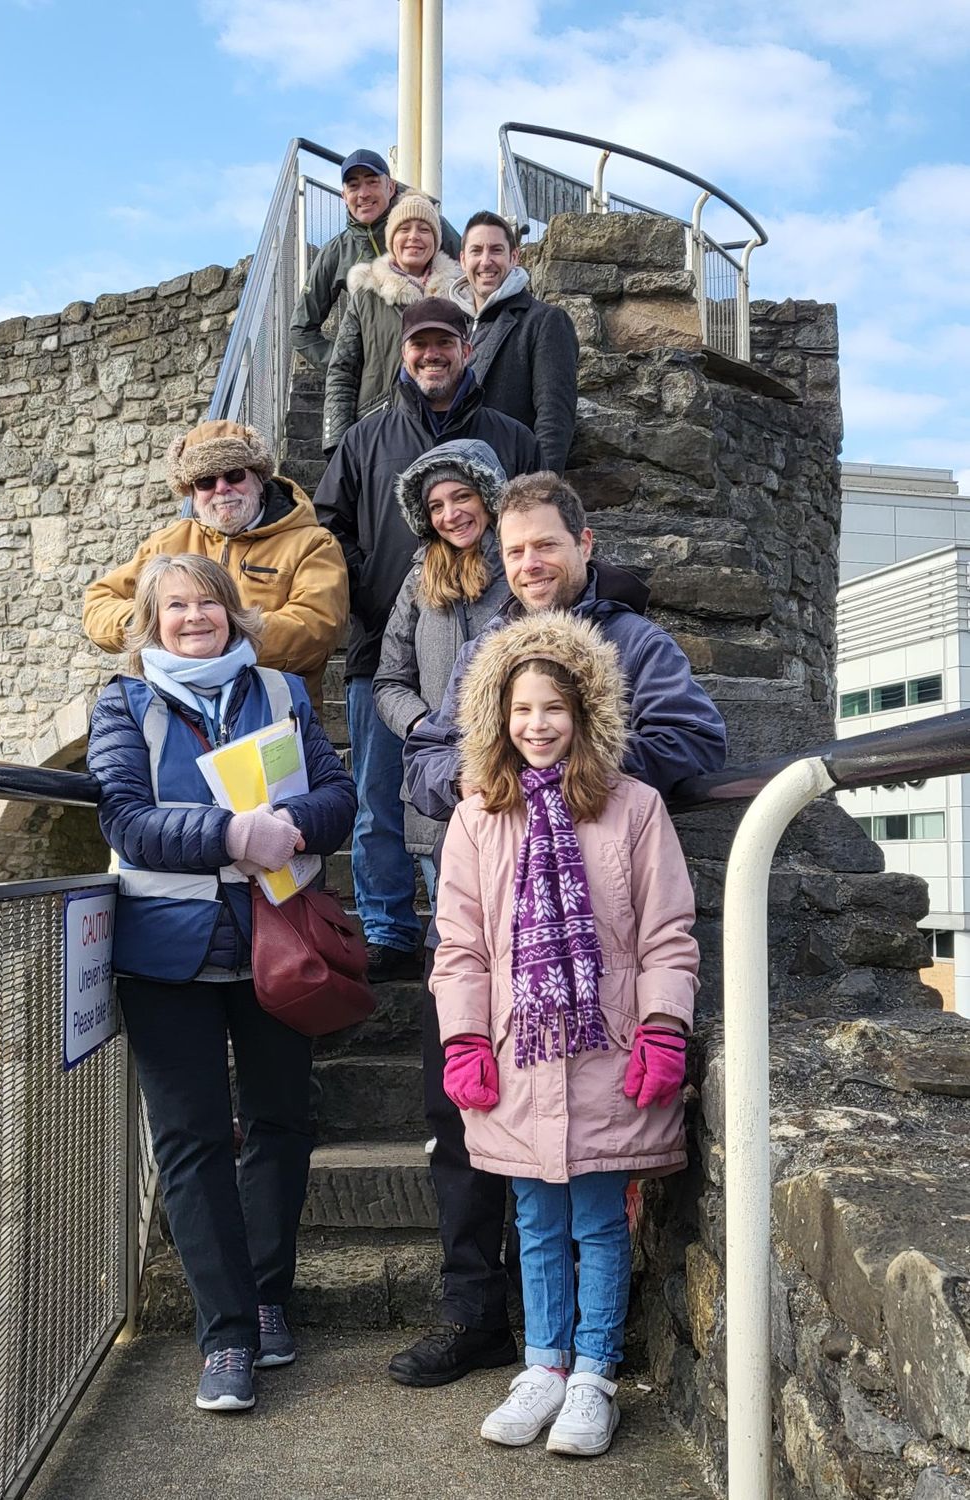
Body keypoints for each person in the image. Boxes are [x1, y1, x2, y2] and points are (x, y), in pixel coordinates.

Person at [387, 472, 724, 1388]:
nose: (527, 564)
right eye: (511, 550)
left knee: (588, 1200)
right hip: (496, 926)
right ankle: (480, 1317)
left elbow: (696, 742)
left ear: (583, 542)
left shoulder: (635, 643)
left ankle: (591, 1361)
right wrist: (474, 782)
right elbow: (425, 758)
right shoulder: (486, 649)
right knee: (462, 1129)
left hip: (597, 948)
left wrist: (583, 774)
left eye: (543, 545)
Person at [86, 553, 356, 1413]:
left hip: (278, 942)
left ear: (233, 612)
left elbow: (340, 796)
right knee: (192, 1138)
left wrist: (289, 824)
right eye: (175, 606)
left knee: (280, 1119)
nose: (193, 617)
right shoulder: (123, 701)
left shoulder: (280, 692)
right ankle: (227, 1335)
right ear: (150, 622)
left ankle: (268, 1297)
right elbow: (125, 817)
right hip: (167, 954)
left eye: (207, 603)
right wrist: (233, 833)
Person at [431, 610, 698, 1453]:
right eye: (519, 711)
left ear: (584, 714)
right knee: (535, 1220)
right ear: (495, 720)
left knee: (596, 1218)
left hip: (606, 1048)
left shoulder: (634, 807)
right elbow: (460, 944)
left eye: (553, 708)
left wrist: (662, 1028)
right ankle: (541, 1368)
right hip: (519, 1053)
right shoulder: (478, 817)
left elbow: (666, 932)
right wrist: (464, 1039)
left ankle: (592, 1376)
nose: (536, 725)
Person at [315, 298, 541, 979]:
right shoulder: (364, 439)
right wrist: (375, 598)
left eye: (444, 342)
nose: (430, 354)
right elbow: (330, 530)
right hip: (386, 650)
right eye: (419, 344)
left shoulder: (510, 435)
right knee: (380, 797)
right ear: (404, 353)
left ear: (466, 349)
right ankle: (386, 926)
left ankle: (481, 926)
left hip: (493, 665)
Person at [83, 419, 347, 711]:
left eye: (234, 474)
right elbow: (98, 604)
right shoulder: (167, 543)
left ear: (259, 478)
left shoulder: (312, 544)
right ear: (192, 493)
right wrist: (153, 624)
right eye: (206, 481)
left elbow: (317, 626)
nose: (221, 488)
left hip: (271, 713)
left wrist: (219, 635)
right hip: (176, 717)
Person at [373, 438, 510, 902]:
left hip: (512, 784)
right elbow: (389, 680)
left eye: (462, 497)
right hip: (439, 791)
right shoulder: (418, 580)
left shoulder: (522, 570)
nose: (450, 515)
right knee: (454, 939)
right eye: (436, 505)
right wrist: (422, 724)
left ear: (489, 498)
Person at [290, 149, 461, 371]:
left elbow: (473, 281)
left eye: (372, 182)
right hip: (378, 390)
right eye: (353, 186)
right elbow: (301, 330)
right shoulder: (336, 252)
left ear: (390, 187)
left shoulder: (429, 226)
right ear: (344, 196)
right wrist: (350, 366)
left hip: (436, 368)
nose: (363, 193)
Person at [322, 194, 461, 454]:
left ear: (436, 239)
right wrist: (336, 444)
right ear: (391, 238)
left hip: (446, 430)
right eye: (404, 229)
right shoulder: (366, 295)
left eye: (424, 229)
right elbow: (342, 371)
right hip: (377, 434)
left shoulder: (459, 295)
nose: (413, 237)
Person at [451, 211, 579, 475]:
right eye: (476, 251)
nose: (486, 261)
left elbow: (554, 419)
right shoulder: (449, 326)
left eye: (496, 250)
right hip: (453, 489)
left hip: (511, 486)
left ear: (514, 257)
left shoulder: (544, 321)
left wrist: (541, 493)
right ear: (463, 260)